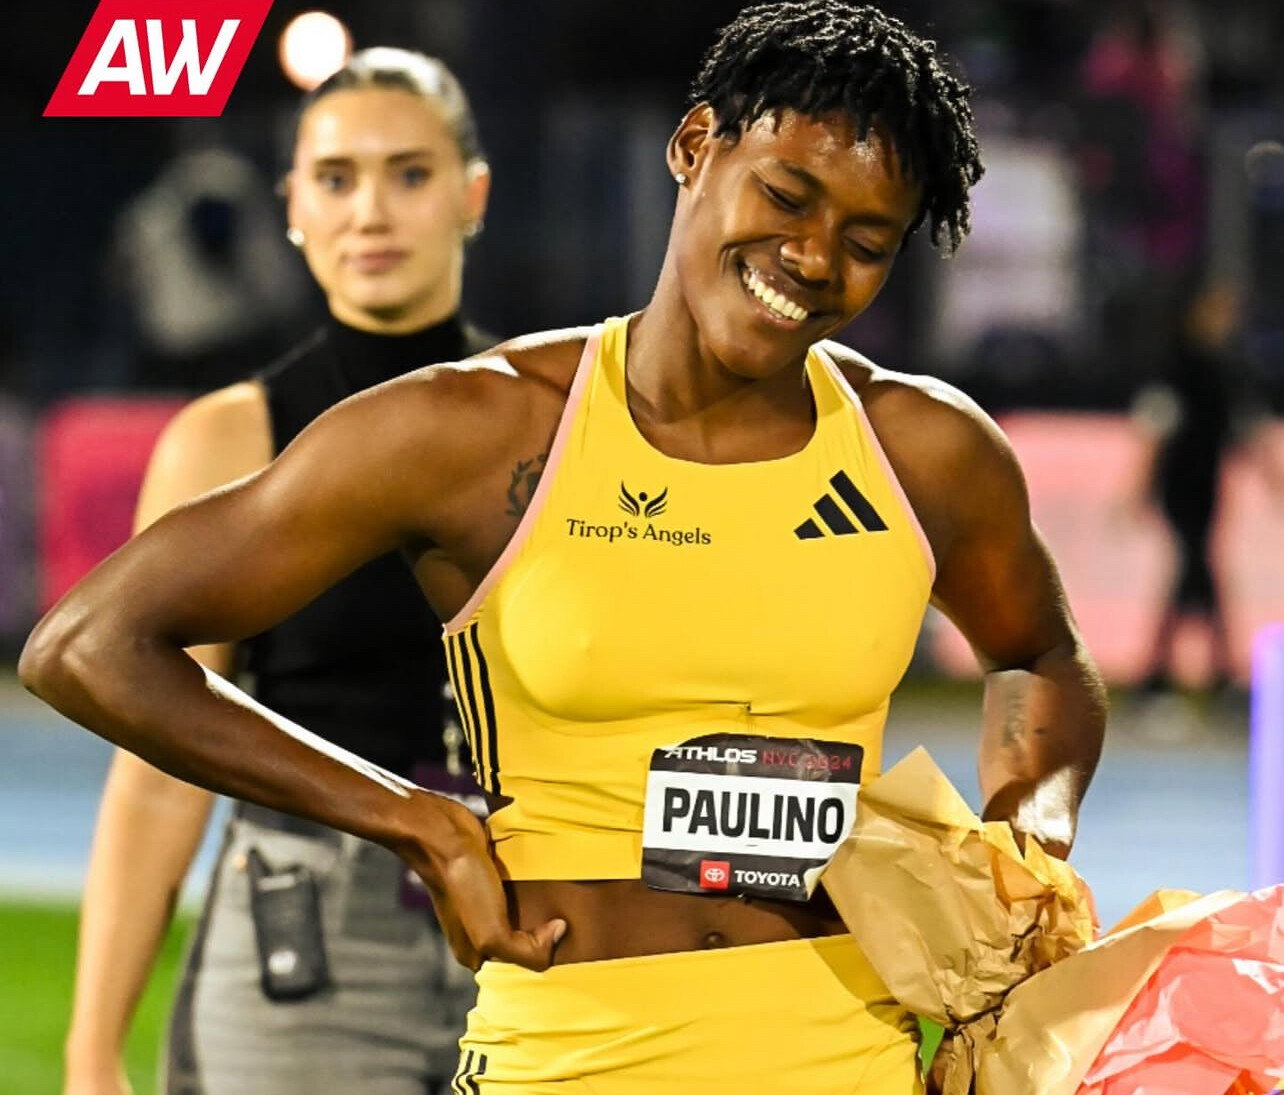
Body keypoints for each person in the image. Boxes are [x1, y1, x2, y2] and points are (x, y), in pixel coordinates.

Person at [24, 5, 1107, 1092]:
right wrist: (408, 821)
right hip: (565, 1058)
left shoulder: (925, 451)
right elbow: (89, 645)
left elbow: (1043, 656)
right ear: (695, 146)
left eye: (867, 244)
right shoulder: (480, 432)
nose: (815, 257)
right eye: (786, 197)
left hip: (846, 1058)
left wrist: (1027, 832)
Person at [59, 48, 496, 1095]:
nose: (370, 212)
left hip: (526, 930)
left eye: (409, 173)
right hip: (303, 955)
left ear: (472, 194)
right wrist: (91, 1050)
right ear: (293, 205)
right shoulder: (229, 440)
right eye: (337, 178)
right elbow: (159, 769)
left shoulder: (556, 420)